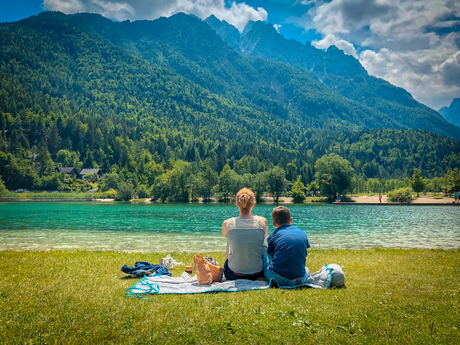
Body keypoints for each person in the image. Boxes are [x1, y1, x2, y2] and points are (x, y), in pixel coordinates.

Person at [222, 188, 268, 280]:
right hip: (259, 272)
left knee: (230, 239)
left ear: (237, 204)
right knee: (261, 242)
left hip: (234, 274)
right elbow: (264, 236)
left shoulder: (227, 223)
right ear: (253, 204)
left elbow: (225, 235)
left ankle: (230, 265)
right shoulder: (262, 221)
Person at [263, 206, 310, 286]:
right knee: (307, 269)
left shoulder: (272, 236)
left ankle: (265, 276)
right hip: (300, 279)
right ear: (291, 220)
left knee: (264, 250)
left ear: (274, 224)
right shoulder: (302, 233)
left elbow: (271, 254)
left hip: (278, 278)